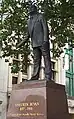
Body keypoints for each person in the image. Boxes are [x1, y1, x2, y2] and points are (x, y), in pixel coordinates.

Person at [17, 4, 52, 81]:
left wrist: (45, 40)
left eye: (31, 9)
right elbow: (27, 35)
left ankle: (48, 76)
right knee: (36, 60)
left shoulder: (40, 17)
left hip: (43, 42)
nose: (30, 10)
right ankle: (35, 76)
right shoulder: (29, 21)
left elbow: (45, 28)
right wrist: (20, 44)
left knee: (46, 59)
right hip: (35, 43)